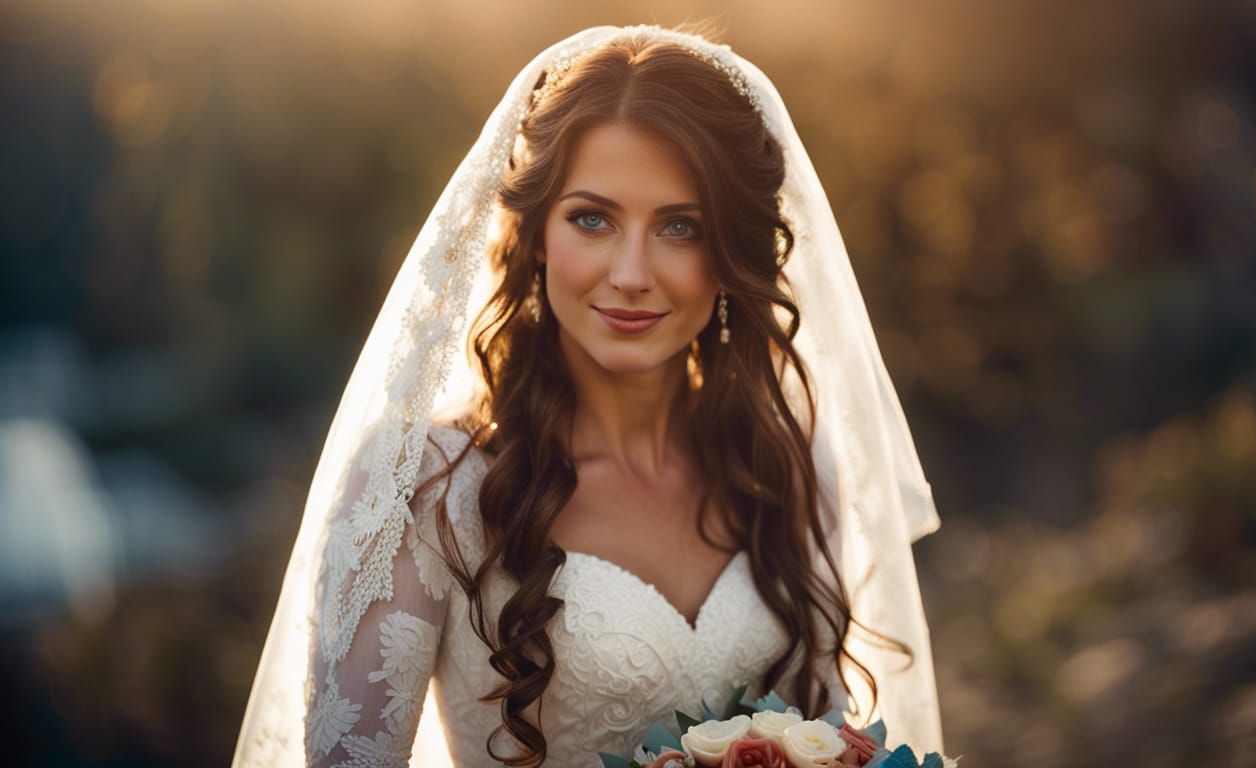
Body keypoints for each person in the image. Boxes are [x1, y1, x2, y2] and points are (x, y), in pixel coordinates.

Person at [232, 24, 942, 768]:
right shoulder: (429, 487)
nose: (631, 273)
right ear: (537, 232)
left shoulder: (790, 468)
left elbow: (833, 733)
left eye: (680, 227)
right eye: (592, 219)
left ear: (732, 251)